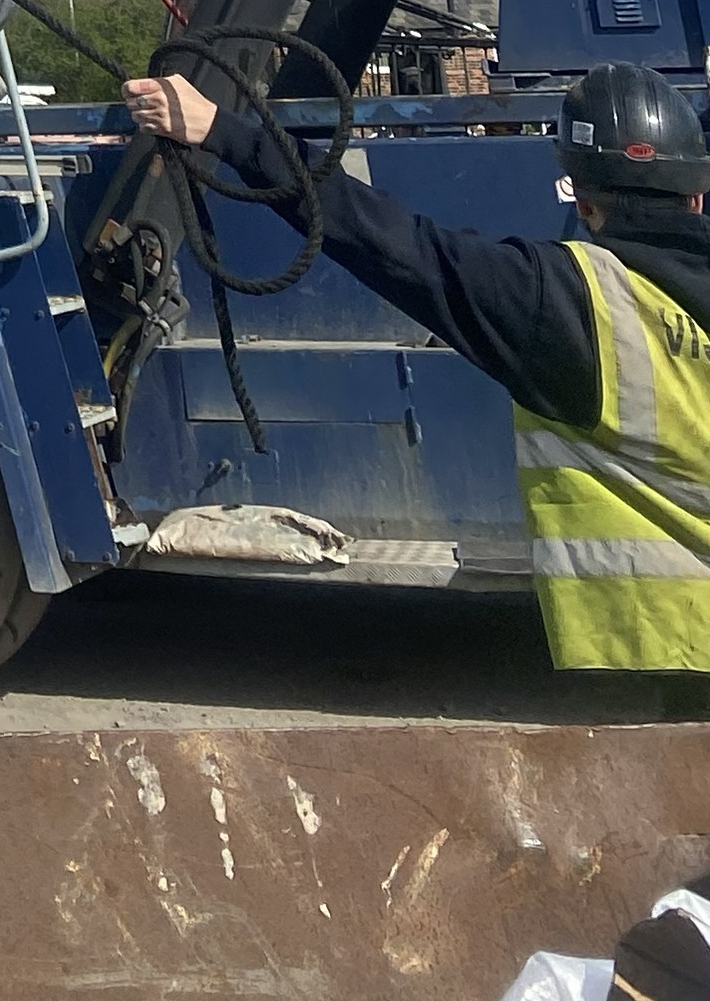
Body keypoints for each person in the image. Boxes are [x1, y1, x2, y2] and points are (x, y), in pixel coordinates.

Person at [125, 56, 710, 672]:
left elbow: (387, 240)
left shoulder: (560, 302)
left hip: (664, 658)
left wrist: (224, 130)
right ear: (696, 194)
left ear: (583, 202)